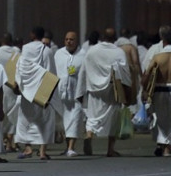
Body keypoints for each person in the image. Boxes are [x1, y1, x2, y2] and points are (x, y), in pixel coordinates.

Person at [84, 28, 131, 157]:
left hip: (94, 88)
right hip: (112, 88)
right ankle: (110, 149)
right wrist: (127, 89)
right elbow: (124, 71)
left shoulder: (92, 50)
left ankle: (89, 135)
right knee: (113, 118)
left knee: (93, 115)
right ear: (115, 38)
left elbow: (86, 67)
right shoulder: (118, 52)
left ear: (102, 37)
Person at [14, 26, 56, 160]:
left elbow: (20, 68)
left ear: (32, 35)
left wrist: (18, 84)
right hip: (41, 90)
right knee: (45, 121)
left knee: (26, 119)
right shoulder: (47, 51)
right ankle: (42, 152)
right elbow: (51, 73)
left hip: (26, 91)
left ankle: (28, 148)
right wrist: (49, 94)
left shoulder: (24, 50)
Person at [54, 31, 86, 156]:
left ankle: (71, 147)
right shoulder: (58, 54)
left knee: (75, 119)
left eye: (71, 39)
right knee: (64, 121)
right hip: (61, 93)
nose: (69, 41)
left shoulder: (83, 55)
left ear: (76, 41)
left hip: (76, 94)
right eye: (66, 39)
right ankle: (67, 147)